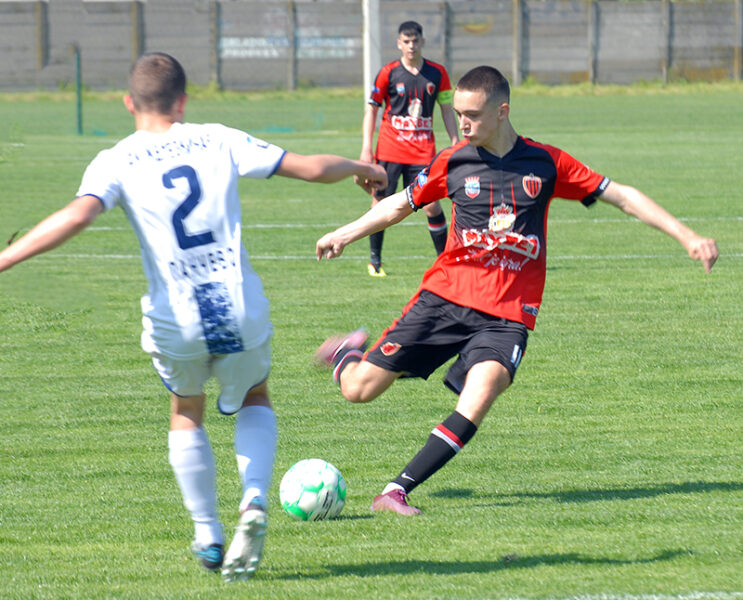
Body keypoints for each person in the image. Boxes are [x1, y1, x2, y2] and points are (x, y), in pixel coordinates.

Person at [0, 52, 387, 578]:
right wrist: (363, 168)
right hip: (236, 301)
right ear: (183, 101)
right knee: (254, 395)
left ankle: (208, 535)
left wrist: (6, 258)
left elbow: (77, 214)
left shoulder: (116, 160)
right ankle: (253, 501)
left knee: (187, 409)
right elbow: (309, 167)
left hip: (174, 314)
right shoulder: (216, 137)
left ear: (128, 103)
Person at [315, 65, 718, 515]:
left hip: (507, 315)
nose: (461, 123)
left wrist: (687, 236)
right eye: (459, 113)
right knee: (359, 391)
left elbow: (621, 195)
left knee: (483, 390)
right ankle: (347, 356)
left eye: (472, 115)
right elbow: (398, 205)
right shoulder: (454, 161)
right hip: (444, 300)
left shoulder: (545, 163)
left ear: (502, 111)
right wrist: (344, 234)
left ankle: (396, 491)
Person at [356, 20, 460, 277]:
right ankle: (375, 261)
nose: (411, 46)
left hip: (423, 152)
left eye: (415, 41)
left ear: (422, 42)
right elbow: (372, 109)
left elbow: (447, 108)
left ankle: (444, 263)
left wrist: (455, 140)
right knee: (379, 205)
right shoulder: (388, 73)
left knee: (432, 206)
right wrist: (366, 149)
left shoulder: (438, 74)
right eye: (406, 41)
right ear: (399, 43)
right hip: (390, 151)